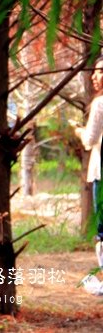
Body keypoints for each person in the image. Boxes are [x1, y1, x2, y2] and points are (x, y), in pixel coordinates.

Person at [74, 57, 103, 267]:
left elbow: (89, 140)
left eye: (100, 71)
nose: (94, 76)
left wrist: (78, 131)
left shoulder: (100, 103)